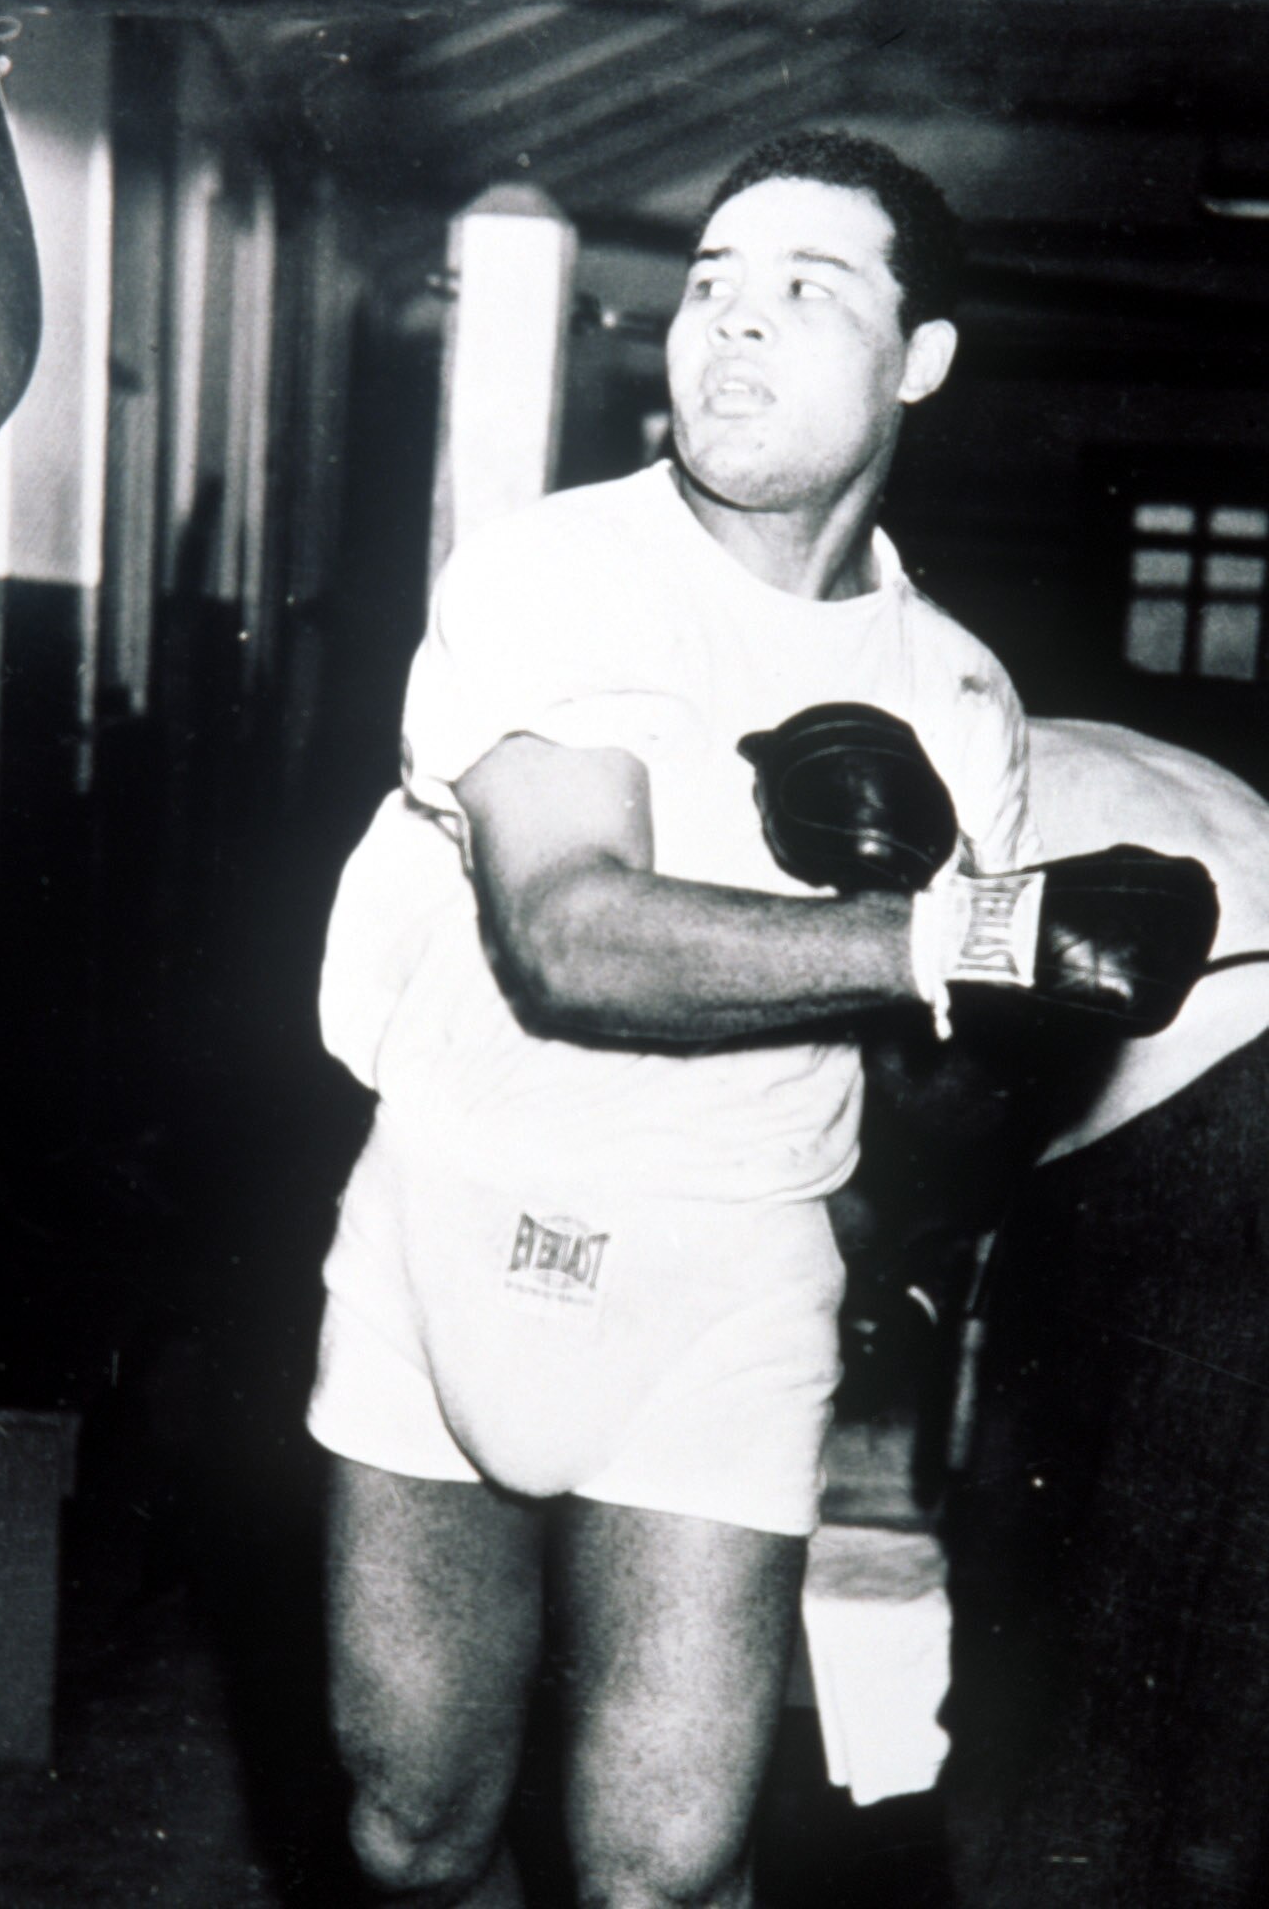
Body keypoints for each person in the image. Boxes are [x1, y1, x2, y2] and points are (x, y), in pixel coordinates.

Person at [303, 130, 1142, 1909]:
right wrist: (954, 927)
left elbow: (936, 1073)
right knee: (412, 1831)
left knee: (666, 1874)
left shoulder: (958, 693)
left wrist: (1015, 1038)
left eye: (806, 292)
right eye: (708, 285)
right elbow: (570, 936)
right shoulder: (556, 574)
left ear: (919, 363)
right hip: (455, 1216)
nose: (731, 332)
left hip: (728, 1280)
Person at [936, 719, 1269, 1908]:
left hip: (1196, 1118)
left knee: (1067, 1669)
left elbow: (939, 1093)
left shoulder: (952, 751)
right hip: (1206, 1098)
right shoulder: (1119, 755)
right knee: (1221, 1668)